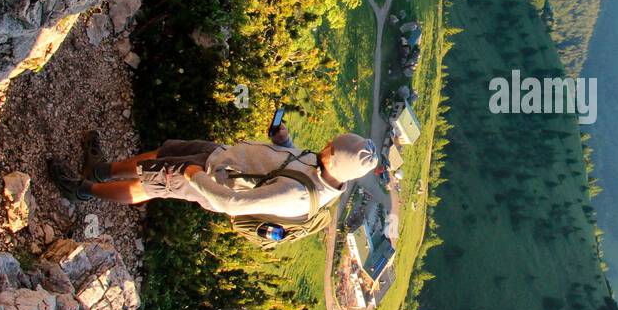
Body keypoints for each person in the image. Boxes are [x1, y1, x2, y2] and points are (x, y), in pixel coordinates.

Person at [48, 124, 378, 222]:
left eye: (332, 146)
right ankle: (101, 170)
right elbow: (288, 161)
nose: (328, 142)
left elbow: (233, 204)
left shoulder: (297, 197)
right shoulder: (321, 167)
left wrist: (196, 177)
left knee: (150, 185)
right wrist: (283, 140)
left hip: (208, 177)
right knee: (162, 153)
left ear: (336, 162)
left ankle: (82, 191)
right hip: (220, 155)